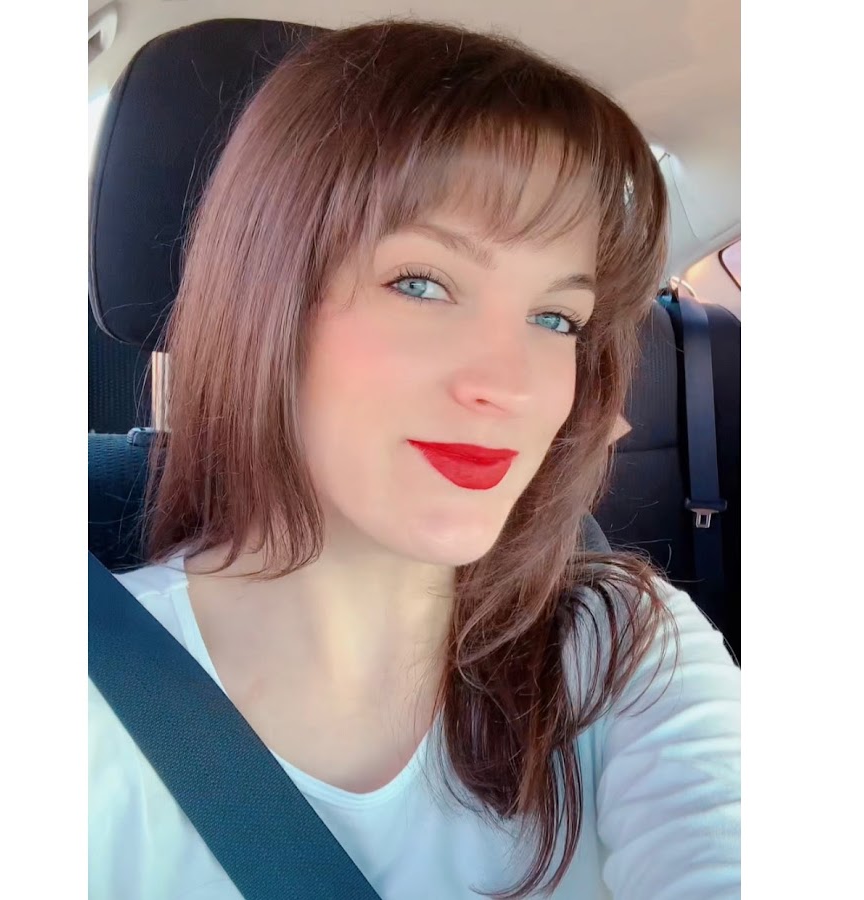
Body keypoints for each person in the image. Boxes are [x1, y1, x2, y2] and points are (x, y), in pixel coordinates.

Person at [89, 19, 740, 900]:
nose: (510, 386)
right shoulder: (85, 697)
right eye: (422, 284)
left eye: (556, 319)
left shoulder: (620, 647)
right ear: (264, 297)